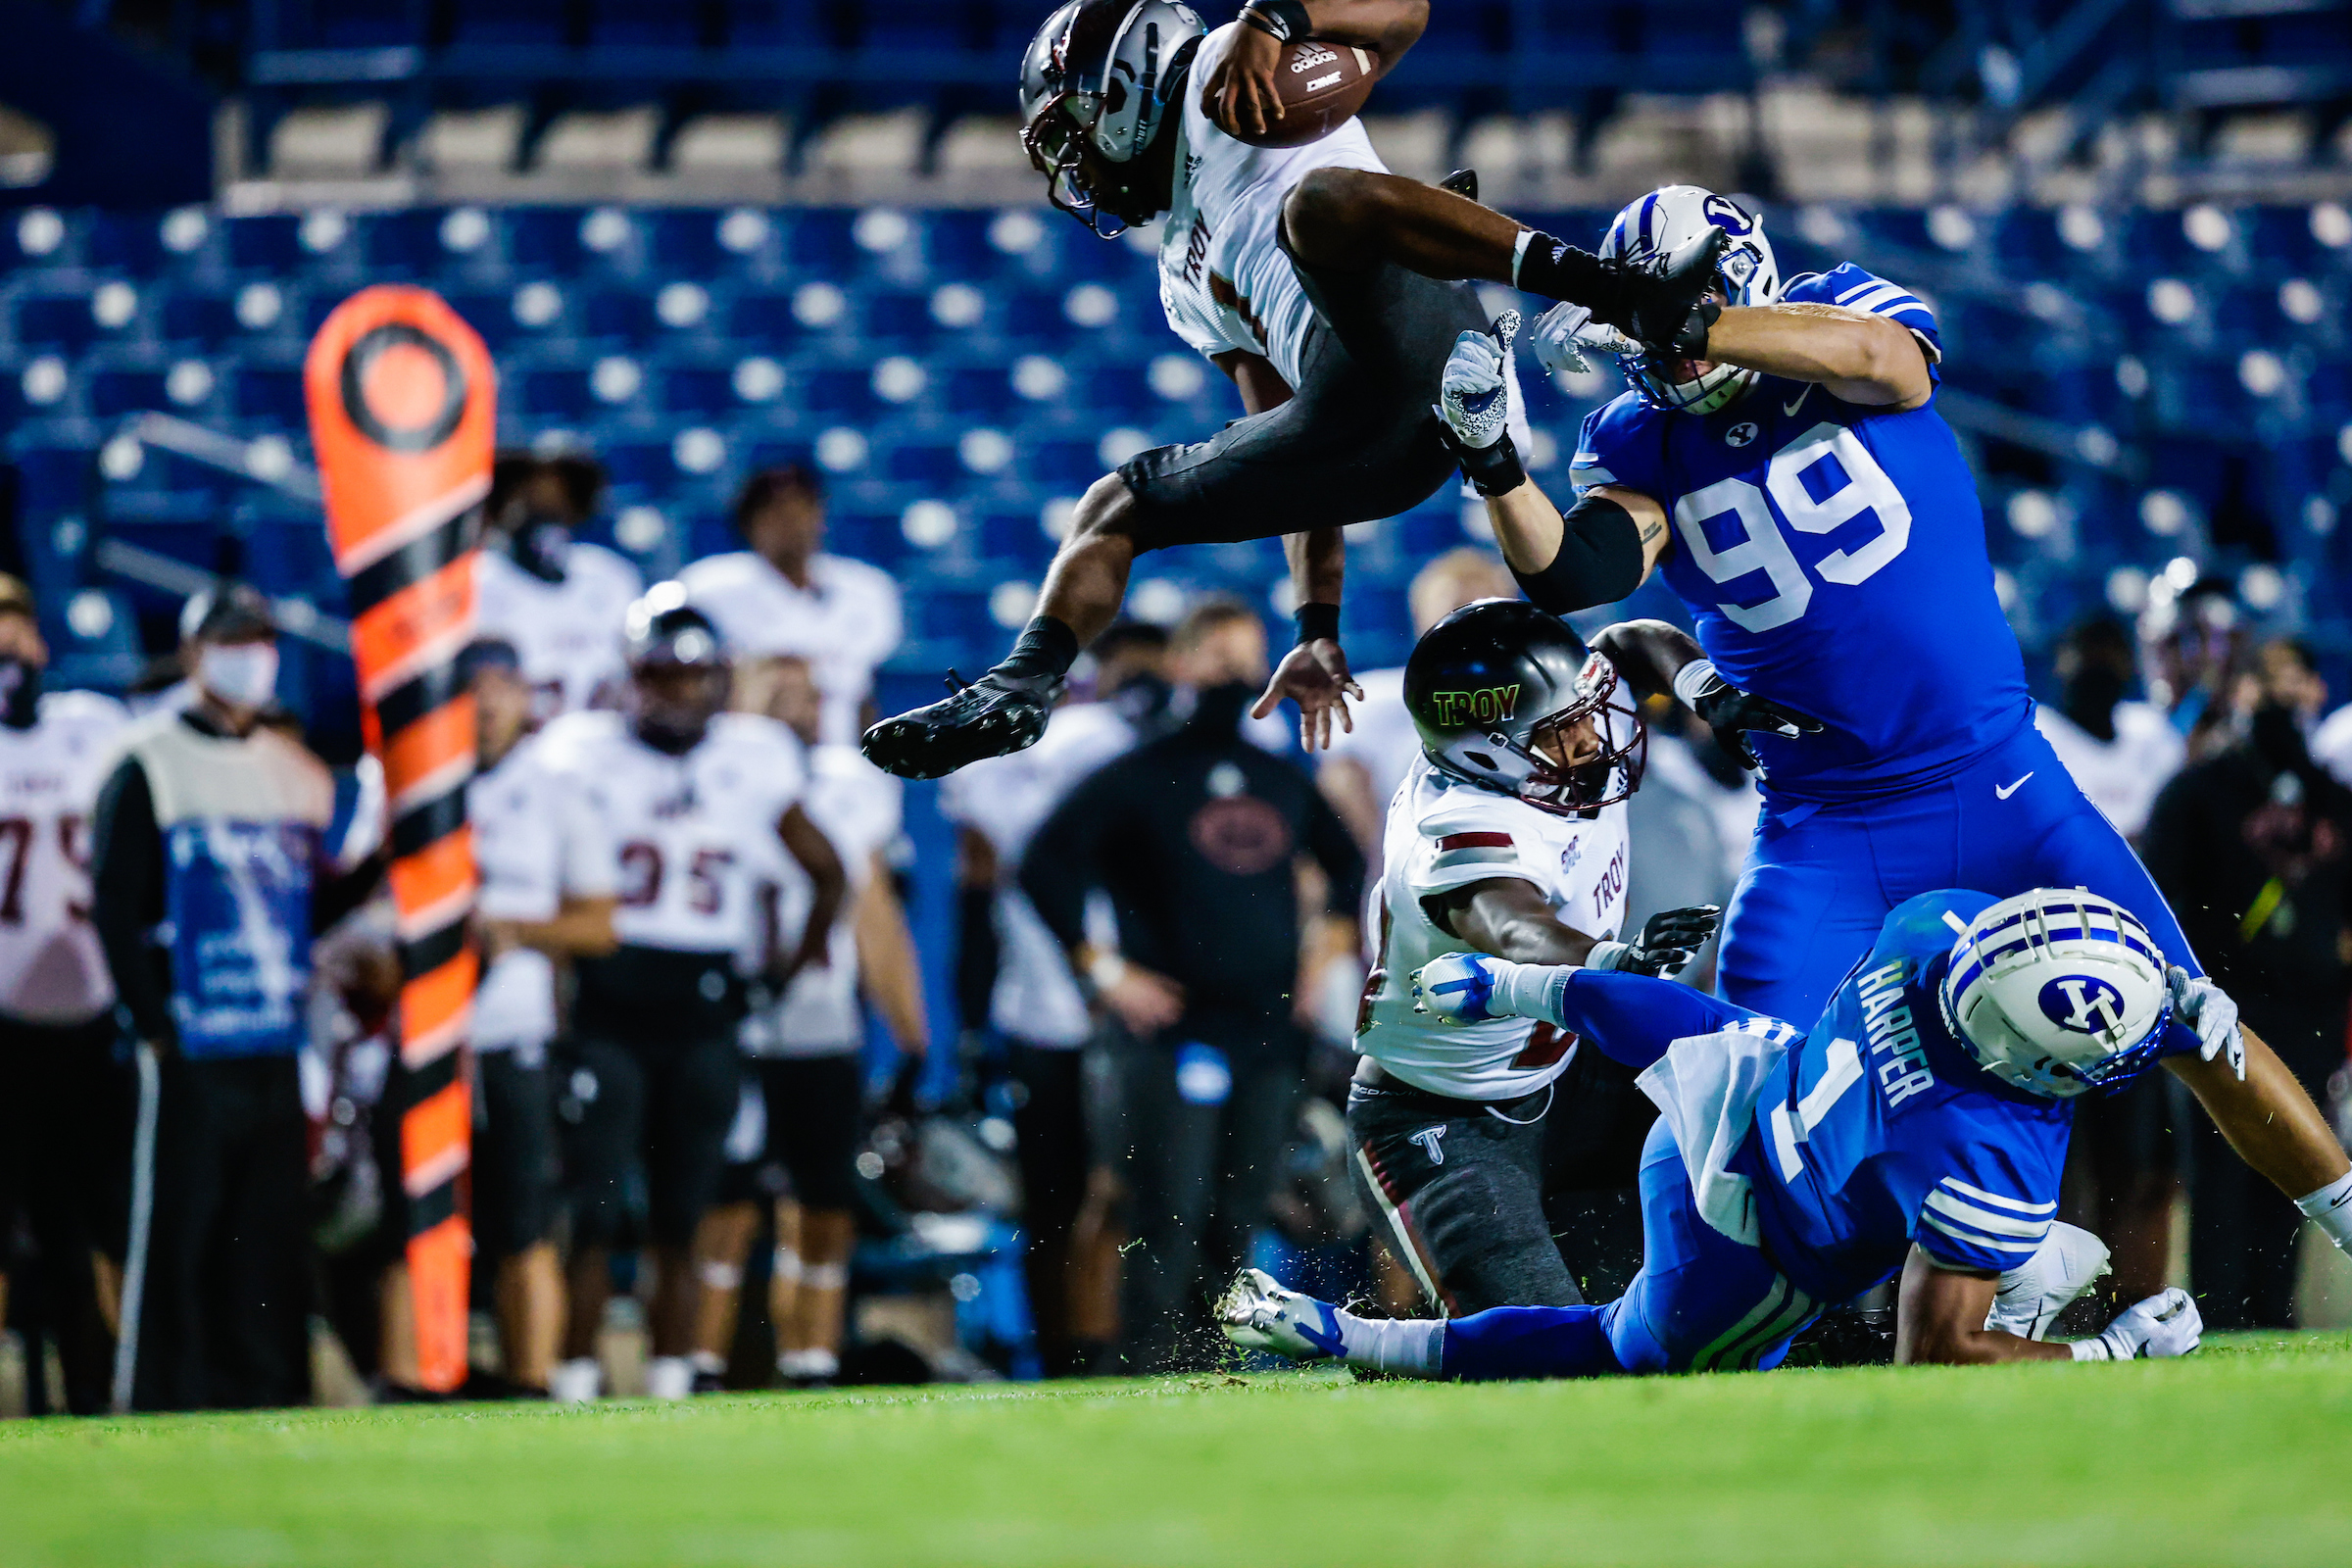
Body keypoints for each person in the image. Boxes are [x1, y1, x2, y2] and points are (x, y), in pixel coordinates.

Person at [1419, 182, 2350, 1222]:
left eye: (1674, 314)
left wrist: (1693, 317)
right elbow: (1573, 572)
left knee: (2191, 1021)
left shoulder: (1841, 317)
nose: (1666, 354)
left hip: (1998, 779)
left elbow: (1886, 362)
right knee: (1746, 1096)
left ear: (1729, 281)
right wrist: (1497, 463)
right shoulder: (1639, 438)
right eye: (1645, 325)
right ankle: (1804, 1321)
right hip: (1827, 821)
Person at [862, 0, 1724, 780]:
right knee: (1110, 506)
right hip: (1369, 428)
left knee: (1318, 204)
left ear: (1126, 86)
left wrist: (1272, 17)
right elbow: (1285, 440)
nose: (1075, 160)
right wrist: (1317, 628)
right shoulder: (1179, 282)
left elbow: (1404, 14)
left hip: (1418, 334)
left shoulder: (1222, 76)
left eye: (1076, 126)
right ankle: (1017, 688)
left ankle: (1616, 289)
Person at [1223, 885, 2346, 1377]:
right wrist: (2105, 1359)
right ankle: (1352, 1336)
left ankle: (1515, 986)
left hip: (1730, 1089)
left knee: (1732, 1030)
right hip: (1743, 1242)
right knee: (1615, 1353)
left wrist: (1525, 989)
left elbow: (1683, 1023)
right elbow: (1936, 1354)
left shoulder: (1934, 929)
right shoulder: (1976, 1150)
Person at [1020, 599, 1365, 1371]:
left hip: (1267, 1031)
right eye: (1217, 655)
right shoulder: (1136, 776)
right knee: (1164, 1212)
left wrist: (1323, 956)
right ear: (1179, 665)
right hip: (1167, 1032)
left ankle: (1216, 1368)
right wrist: (1104, 970)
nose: (1235, 673)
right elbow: (1045, 864)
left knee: (1238, 1216)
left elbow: (1346, 867)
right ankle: (1149, 1369)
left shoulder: (1277, 777)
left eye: (1248, 658)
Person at [1348, 599, 1717, 1315]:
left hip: (1573, 1073)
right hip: (1442, 1114)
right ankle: (1382, 1347)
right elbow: (1511, 926)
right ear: (1486, 749)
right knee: (1548, 1345)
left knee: (1725, 1215)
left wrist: (1708, 692)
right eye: (1564, 728)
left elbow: (1630, 643)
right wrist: (1607, 958)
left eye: (1588, 709)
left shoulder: (1540, 753)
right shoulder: (1459, 822)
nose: (1593, 735)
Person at [536, 586, 846, 1402]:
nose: (678, 694)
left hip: (706, 998)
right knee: (597, 1209)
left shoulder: (753, 756)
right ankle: (573, 1375)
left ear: (718, 681)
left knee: (685, 1211)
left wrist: (776, 981)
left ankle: (673, 1377)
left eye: (693, 678)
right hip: (608, 993)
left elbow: (829, 871)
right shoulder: (576, 751)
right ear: (630, 678)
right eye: (661, 677)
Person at [90, 585, 361, 1410]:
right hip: (194, 1039)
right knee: (180, 1227)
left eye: (260, 639)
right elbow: (115, 900)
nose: (250, 656)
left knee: (267, 1232)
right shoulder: (148, 761)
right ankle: (167, 1394)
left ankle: (268, 1392)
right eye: (232, 641)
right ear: (196, 653)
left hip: (272, 1038)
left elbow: (326, 899)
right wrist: (155, 1021)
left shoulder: (294, 769)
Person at [940, 619, 1170, 1377]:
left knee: (1093, 1198)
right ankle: (1087, 1355)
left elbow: (977, 898)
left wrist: (972, 1022)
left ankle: (1096, 1353)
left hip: (1099, 1008)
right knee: (1077, 1199)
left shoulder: (1114, 751)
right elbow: (979, 895)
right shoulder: (1099, 747)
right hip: (1066, 1008)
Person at [701, 656, 925, 1391]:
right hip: (727, 1021)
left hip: (822, 1020)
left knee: (822, 1202)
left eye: (809, 689)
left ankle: (810, 1362)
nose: (797, 703)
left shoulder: (848, 784)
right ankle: (695, 1365)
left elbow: (875, 914)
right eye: (778, 686)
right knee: (722, 1202)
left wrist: (910, 1032)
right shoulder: (707, 770)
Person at [2143, 638, 2352, 1329]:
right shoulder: (2198, 791)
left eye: (2300, 678)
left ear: (2320, 692)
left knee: (2295, 1168)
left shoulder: (2335, 798)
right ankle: (2221, 1317)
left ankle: (2276, 1314)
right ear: (2240, 692)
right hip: (2222, 1012)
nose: (2288, 694)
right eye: (2271, 679)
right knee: (2223, 1171)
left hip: (2314, 1012)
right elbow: (2161, 900)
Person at [461, 638, 619, 1394]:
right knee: (410, 1230)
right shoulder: (411, 782)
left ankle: (533, 1384)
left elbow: (599, 924)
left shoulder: (555, 785)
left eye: (501, 685)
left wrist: (515, 929)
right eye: (471, 687)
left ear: (527, 697)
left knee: (527, 1223)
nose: (486, 702)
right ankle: (414, 1380)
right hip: (418, 1040)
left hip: (517, 1033)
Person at [0, 575, 129, 1414]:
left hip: (93, 1018)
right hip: (4, 1026)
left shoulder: (99, 729)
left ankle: (116, 1392)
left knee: (103, 1227)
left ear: (42, 641)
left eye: (14, 630)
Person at [1316, 548, 1519, 867]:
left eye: (1483, 613)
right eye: (1454, 611)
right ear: (1419, 618)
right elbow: (1347, 838)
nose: (1468, 628)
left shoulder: (1543, 705)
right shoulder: (1369, 705)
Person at [677, 466, 904, 748]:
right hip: (742, 754)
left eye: (802, 509)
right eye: (777, 512)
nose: (793, 523)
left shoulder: (868, 590)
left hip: (837, 751)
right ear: (750, 523)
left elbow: (869, 694)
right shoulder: (707, 588)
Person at [474, 451, 643, 717]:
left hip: (600, 747)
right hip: (517, 751)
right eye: (529, 498)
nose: (546, 510)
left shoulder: (610, 577)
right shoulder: (478, 583)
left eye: (559, 498)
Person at [2035, 617, 2185, 841]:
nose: (2099, 674)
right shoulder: (2036, 735)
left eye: (2109, 660)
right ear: (2059, 664)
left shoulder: (2153, 732)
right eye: (2090, 659)